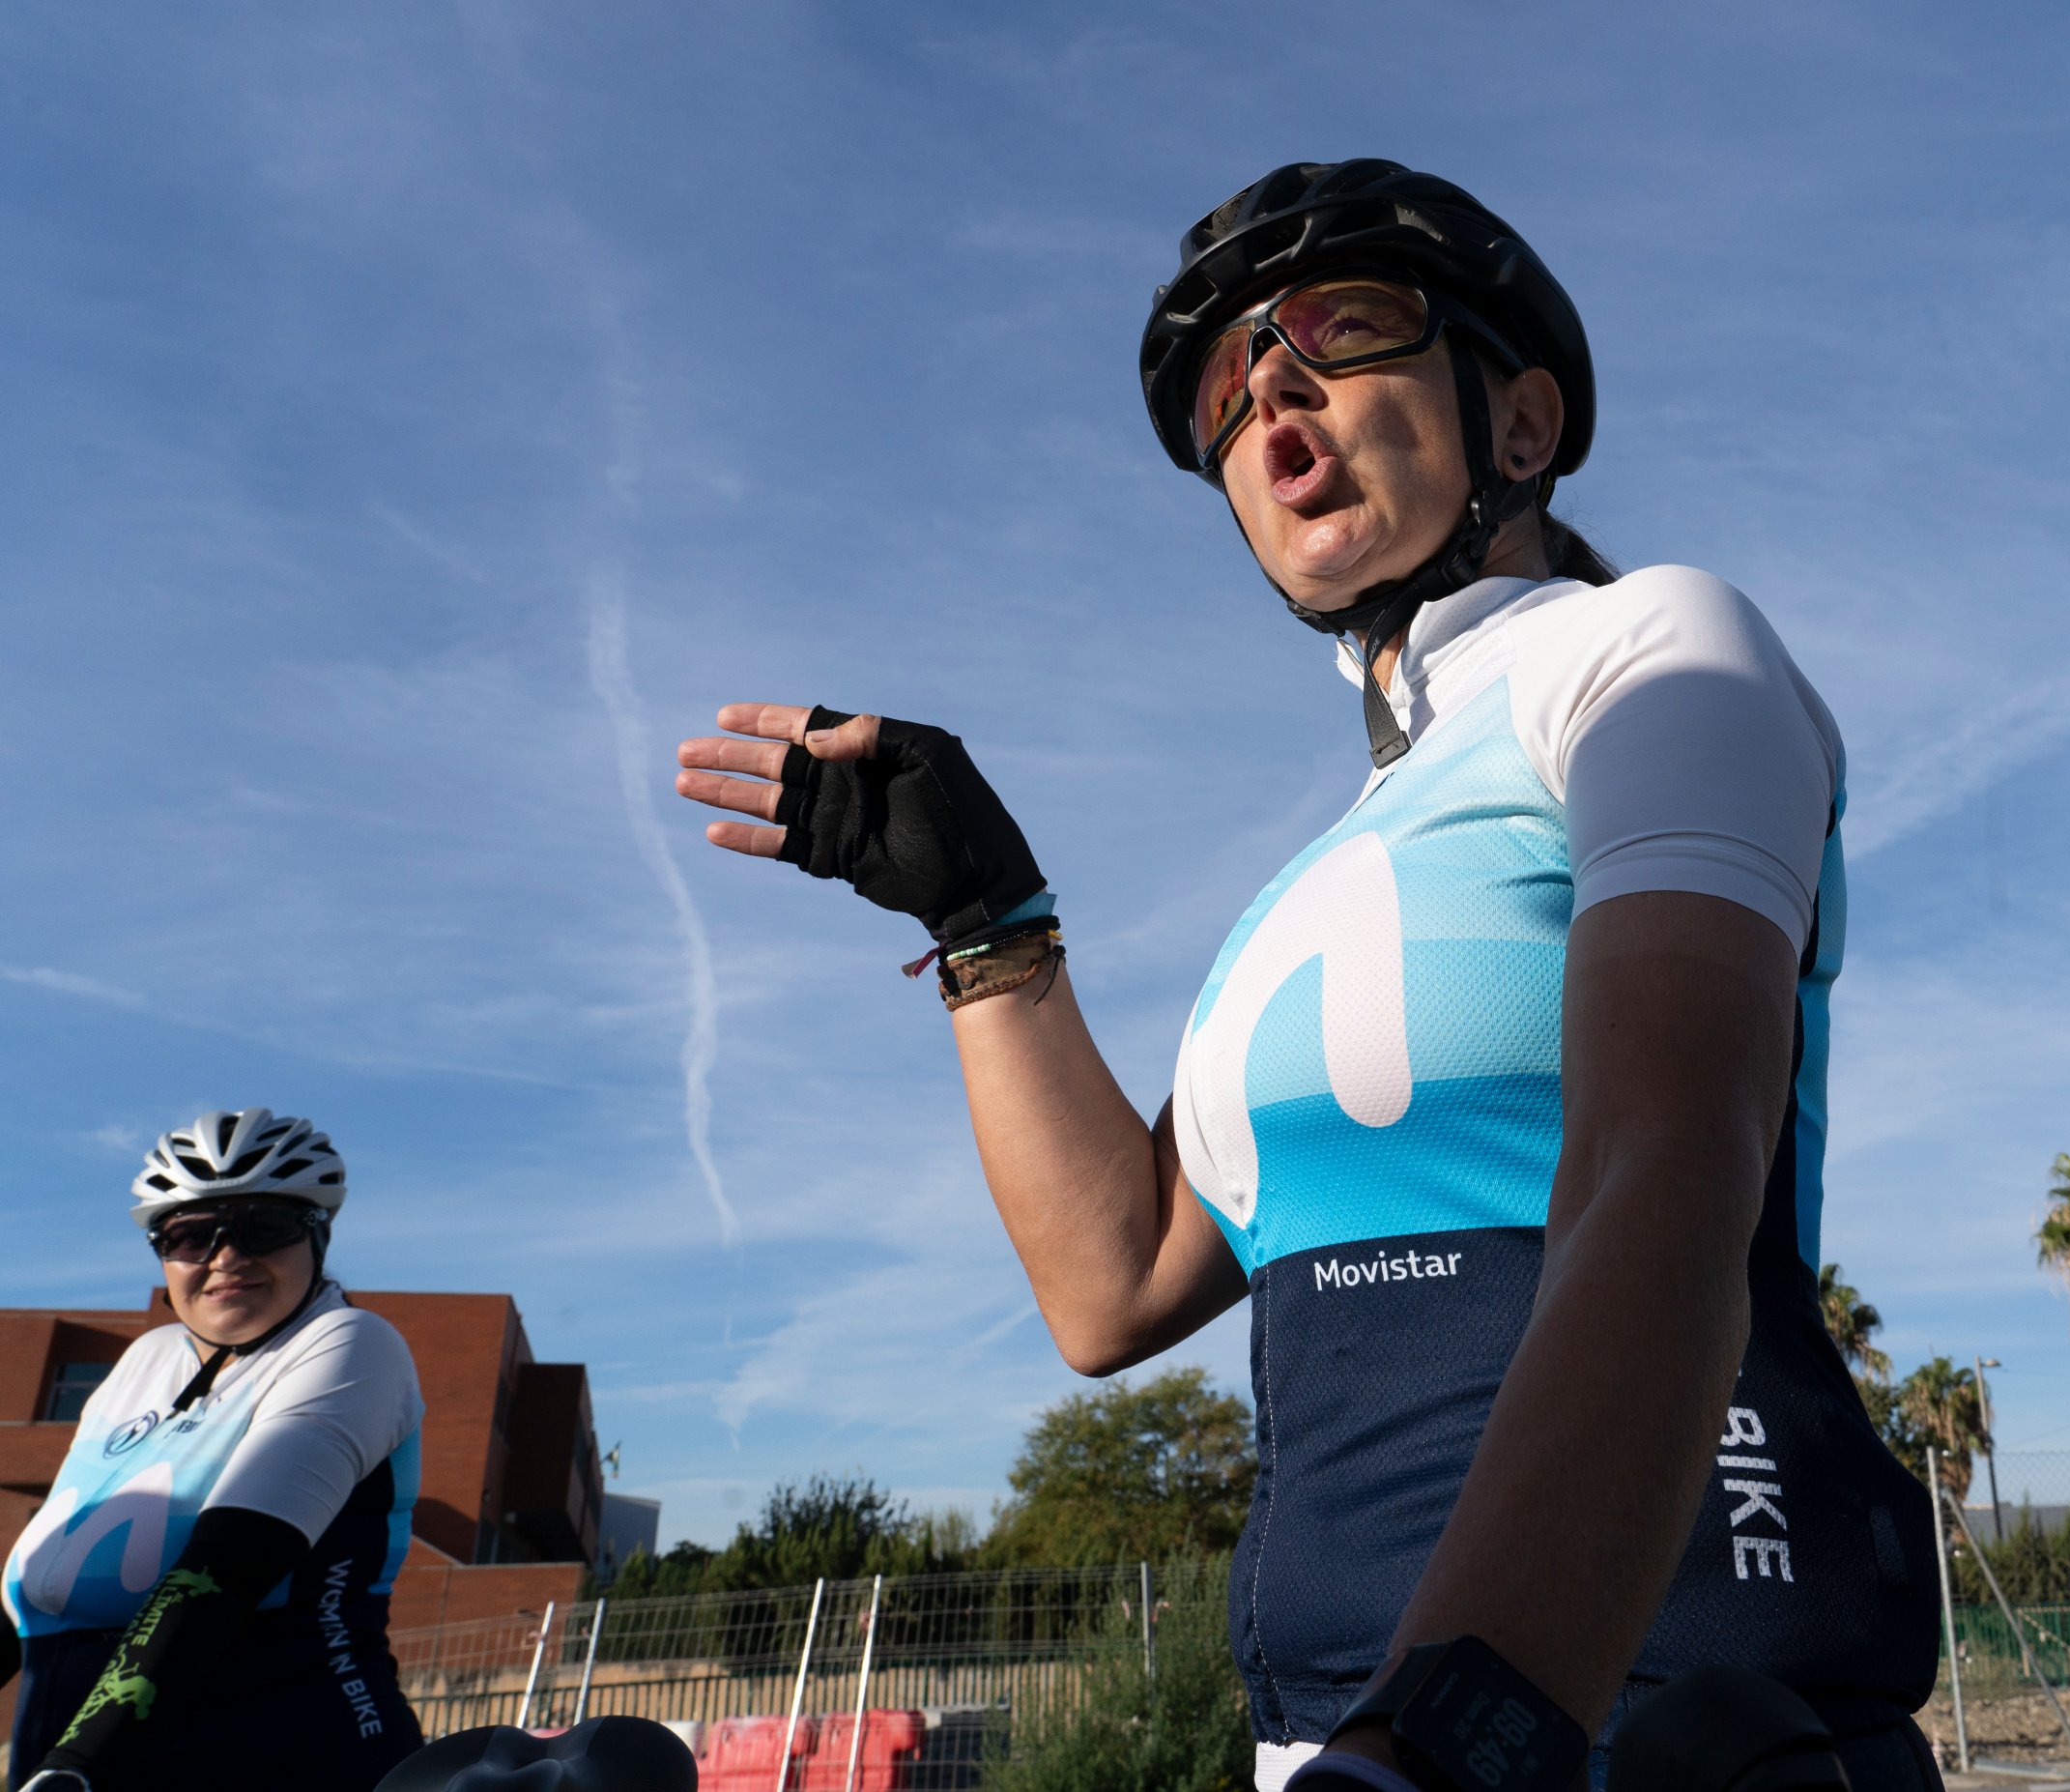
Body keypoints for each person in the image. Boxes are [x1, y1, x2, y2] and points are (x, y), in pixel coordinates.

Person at [675, 159, 1940, 1791]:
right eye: (1230, 393)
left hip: (1637, 1710)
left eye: (1341, 337)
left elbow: (1670, 1158)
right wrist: (991, 923)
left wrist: (1457, 1726)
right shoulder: (1317, 875)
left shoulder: (1648, 646)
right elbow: (1110, 1280)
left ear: (1527, 423)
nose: (1272, 404)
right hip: (1339, 1730)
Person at [2, 1110, 424, 1792]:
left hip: (288, 1753)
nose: (227, 1258)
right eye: (190, 1236)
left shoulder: (351, 1342)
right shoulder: (147, 1360)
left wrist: (73, 1769)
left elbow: (219, 1573)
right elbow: (44, 1574)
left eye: (263, 1228)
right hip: (85, 1758)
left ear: (318, 1235)